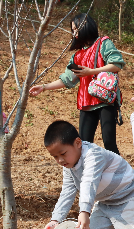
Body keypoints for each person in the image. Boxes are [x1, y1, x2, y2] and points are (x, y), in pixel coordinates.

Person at [28, 13, 124, 155]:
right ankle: (86, 175)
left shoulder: (103, 43)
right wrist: (44, 87)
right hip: (86, 103)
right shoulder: (77, 55)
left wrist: (92, 71)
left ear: (85, 25)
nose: (74, 32)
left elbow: (116, 64)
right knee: (83, 145)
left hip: (105, 100)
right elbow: (67, 79)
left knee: (109, 142)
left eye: (76, 28)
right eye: (72, 29)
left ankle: (121, 174)